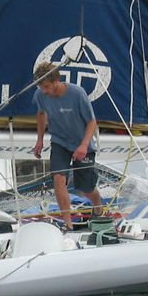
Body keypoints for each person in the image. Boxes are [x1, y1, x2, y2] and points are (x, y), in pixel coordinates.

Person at [32, 61, 102, 229]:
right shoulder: (40, 95)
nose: (44, 91)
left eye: (47, 86)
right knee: (58, 179)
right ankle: (68, 224)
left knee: (85, 188)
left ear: (57, 80)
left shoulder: (78, 93)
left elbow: (92, 122)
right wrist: (40, 140)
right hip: (59, 141)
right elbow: (41, 114)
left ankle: (98, 209)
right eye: (41, 87)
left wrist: (84, 146)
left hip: (82, 143)